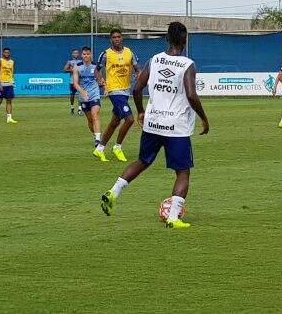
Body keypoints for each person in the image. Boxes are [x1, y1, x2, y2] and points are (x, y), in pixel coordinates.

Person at [100, 22, 209, 229]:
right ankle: (174, 217)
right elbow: (192, 94)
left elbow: (137, 89)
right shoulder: (187, 64)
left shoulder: (155, 60)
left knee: (142, 160)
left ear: (167, 38)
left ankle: (113, 192)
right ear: (185, 40)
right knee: (183, 172)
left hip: (153, 122)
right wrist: (204, 118)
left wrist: (141, 111)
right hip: (176, 127)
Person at [95, 29, 140, 162]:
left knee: (115, 121)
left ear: (122, 38)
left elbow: (137, 69)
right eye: (114, 37)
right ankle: (117, 147)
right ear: (111, 39)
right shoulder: (106, 54)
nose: (116, 39)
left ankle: (100, 149)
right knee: (130, 119)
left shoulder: (129, 52)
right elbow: (97, 70)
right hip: (114, 90)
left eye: (118, 37)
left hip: (126, 90)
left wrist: (140, 77)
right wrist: (101, 81)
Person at [72, 46, 108, 161]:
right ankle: (95, 134)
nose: (86, 56)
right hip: (84, 97)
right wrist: (82, 92)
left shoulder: (95, 67)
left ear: (91, 55)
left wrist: (105, 87)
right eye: (84, 54)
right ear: (82, 56)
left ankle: (98, 141)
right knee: (90, 120)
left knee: (95, 115)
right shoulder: (77, 68)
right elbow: (75, 84)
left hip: (94, 95)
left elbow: (100, 79)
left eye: (88, 54)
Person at [0, 47, 18, 124]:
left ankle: (9, 118)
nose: (7, 54)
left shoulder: (12, 62)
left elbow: (12, 72)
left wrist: (13, 82)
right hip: (2, 84)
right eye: (5, 52)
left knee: (9, 101)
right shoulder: (0, 61)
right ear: (3, 53)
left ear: (9, 53)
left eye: (8, 52)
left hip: (9, 84)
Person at [62, 49, 83, 116]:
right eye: (74, 53)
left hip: (79, 82)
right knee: (72, 95)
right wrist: (72, 70)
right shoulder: (70, 62)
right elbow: (65, 70)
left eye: (77, 53)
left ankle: (80, 109)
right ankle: (72, 108)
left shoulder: (81, 61)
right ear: (72, 54)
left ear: (78, 54)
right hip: (72, 81)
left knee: (81, 95)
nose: (76, 54)